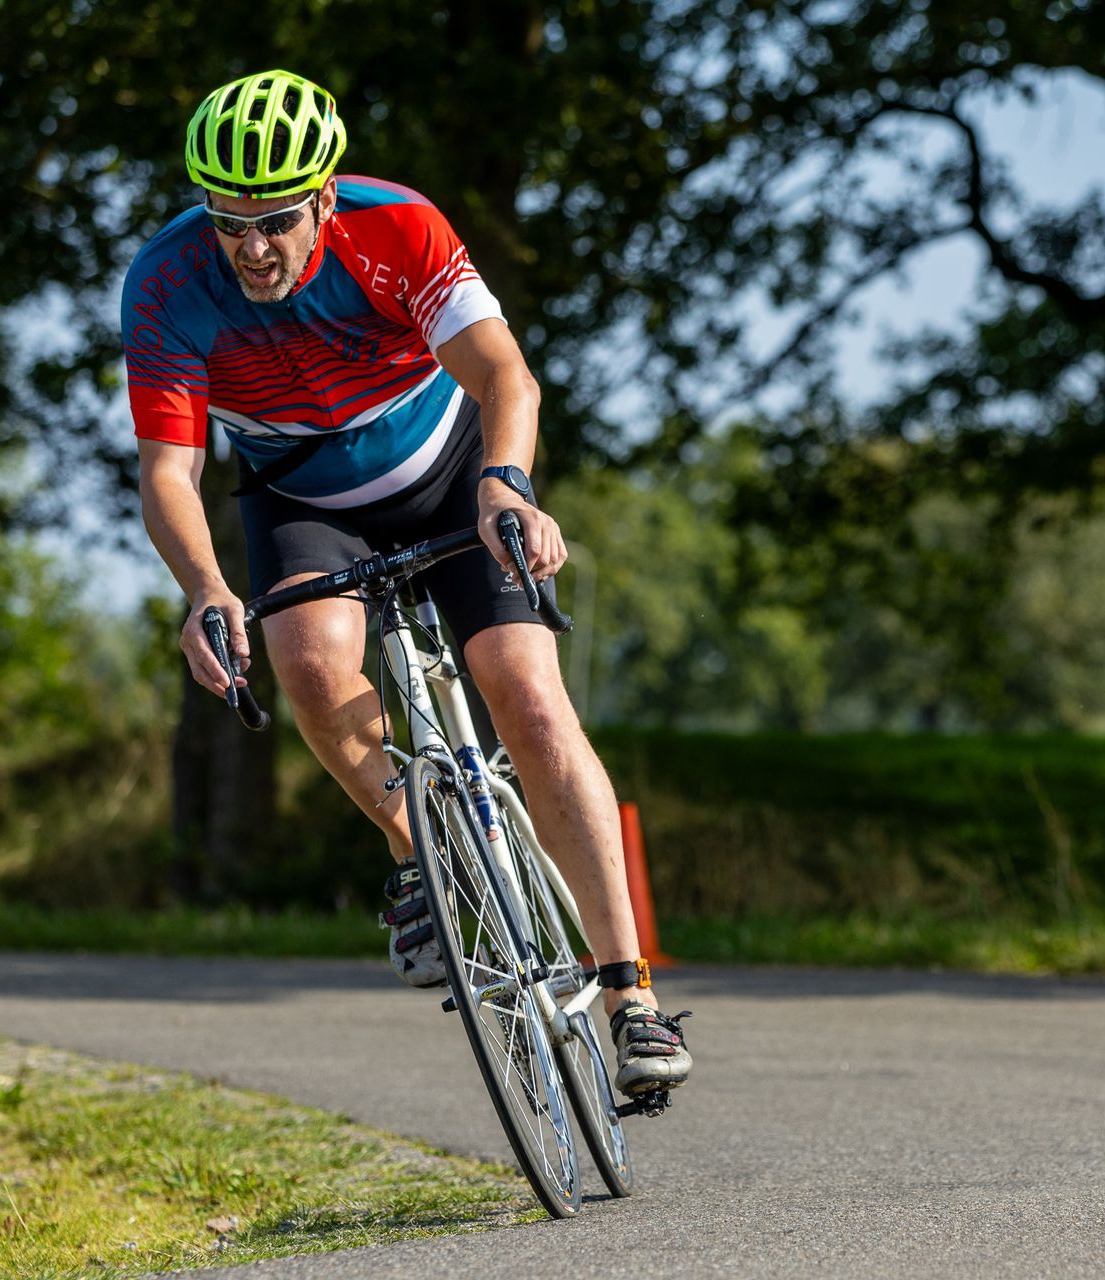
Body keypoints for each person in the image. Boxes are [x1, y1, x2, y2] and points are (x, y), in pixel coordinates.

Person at [125, 69, 690, 1097]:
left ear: (325, 199)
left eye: (276, 221)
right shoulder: (167, 281)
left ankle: (631, 994)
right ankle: (420, 847)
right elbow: (170, 467)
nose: (251, 246)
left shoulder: (399, 228)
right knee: (302, 658)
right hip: (304, 498)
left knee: (525, 691)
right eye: (229, 220)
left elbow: (505, 374)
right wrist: (204, 584)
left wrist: (508, 486)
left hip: (451, 473)